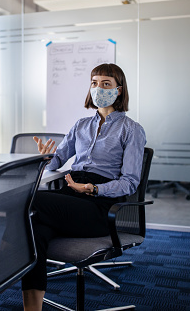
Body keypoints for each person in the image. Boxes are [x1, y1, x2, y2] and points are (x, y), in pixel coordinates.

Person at [21, 63, 146, 310]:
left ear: (119, 90)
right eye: (94, 83)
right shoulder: (80, 125)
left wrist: (92, 188)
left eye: (106, 84)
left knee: (27, 201)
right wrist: (47, 157)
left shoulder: (132, 130)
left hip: (98, 205)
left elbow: (130, 182)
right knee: (33, 231)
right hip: (70, 194)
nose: (98, 88)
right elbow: (58, 160)